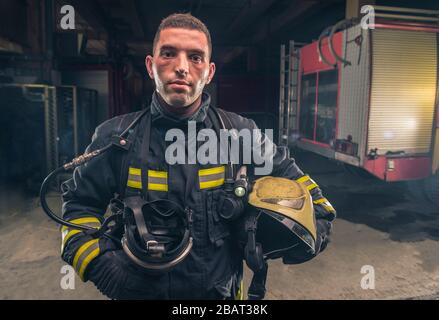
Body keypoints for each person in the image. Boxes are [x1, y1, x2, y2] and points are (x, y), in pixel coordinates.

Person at [60, 13, 336, 300]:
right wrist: (101, 267)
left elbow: (296, 179)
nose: (181, 67)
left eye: (195, 57)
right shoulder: (115, 138)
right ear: (151, 66)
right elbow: (77, 209)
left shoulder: (240, 133)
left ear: (210, 72)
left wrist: (318, 220)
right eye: (168, 54)